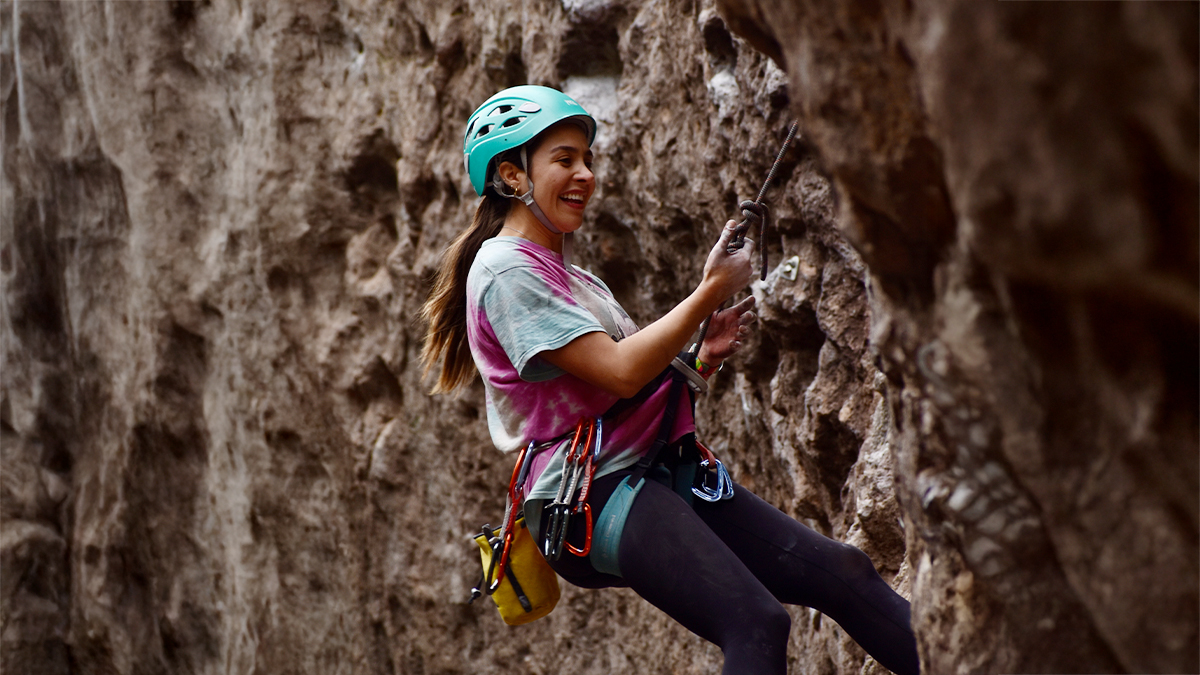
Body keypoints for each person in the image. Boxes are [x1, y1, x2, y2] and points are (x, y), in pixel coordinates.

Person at [422, 85, 919, 675]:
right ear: (511, 176)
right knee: (755, 621)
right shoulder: (506, 270)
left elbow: (620, 383)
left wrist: (700, 356)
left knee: (844, 574)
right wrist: (710, 290)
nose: (585, 174)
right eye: (564, 160)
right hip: (589, 492)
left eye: (587, 159)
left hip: (643, 472)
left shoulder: (570, 277)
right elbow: (621, 371)